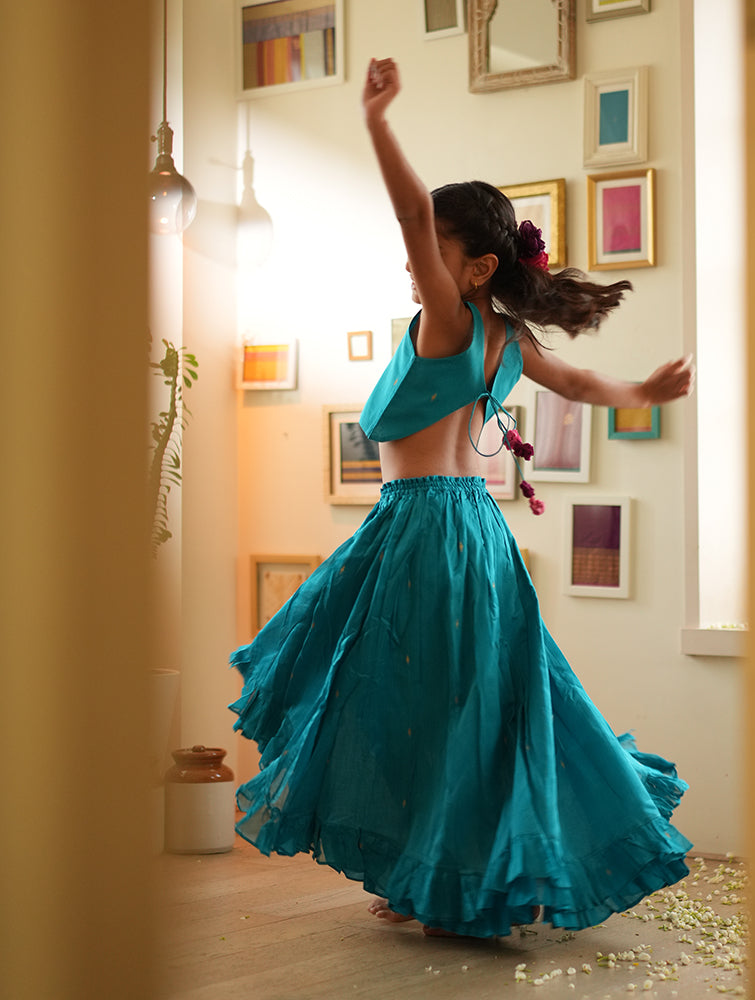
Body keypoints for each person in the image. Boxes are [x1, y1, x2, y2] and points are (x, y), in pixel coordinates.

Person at [229, 58, 695, 939]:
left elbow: (411, 215)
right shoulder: (505, 338)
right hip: (473, 531)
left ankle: (440, 875)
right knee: (466, 704)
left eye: (431, 252)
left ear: (476, 268)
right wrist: (645, 391)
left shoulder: (449, 322)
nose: (412, 261)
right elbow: (584, 382)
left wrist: (377, 124)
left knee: (415, 703)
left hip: (422, 527)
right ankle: (438, 869)